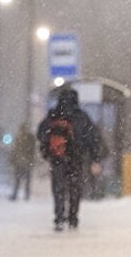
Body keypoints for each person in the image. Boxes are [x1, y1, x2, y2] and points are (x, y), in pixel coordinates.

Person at [37, 88, 104, 231]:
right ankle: (73, 217)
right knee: (75, 188)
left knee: (58, 187)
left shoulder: (53, 115)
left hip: (57, 157)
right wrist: (95, 158)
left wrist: (48, 150)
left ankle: (59, 217)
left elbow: (41, 132)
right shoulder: (81, 116)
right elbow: (92, 139)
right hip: (76, 158)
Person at [9, 123, 37, 201]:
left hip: (19, 161)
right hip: (27, 161)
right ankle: (26, 195)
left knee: (17, 179)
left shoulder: (19, 137)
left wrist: (12, 159)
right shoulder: (30, 137)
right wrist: (33, 160)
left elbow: (14, 149)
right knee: (27, 180)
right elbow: (33, 150)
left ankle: (16, 194)